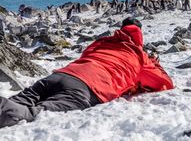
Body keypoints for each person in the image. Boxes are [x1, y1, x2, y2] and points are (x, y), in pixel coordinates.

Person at [0, 17, 174, 128]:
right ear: (140, 37)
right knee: (30, 114)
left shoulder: (101, 42)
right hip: (87, 88)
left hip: (62, 74)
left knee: (18, 100)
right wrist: (154, 63)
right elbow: (162, 83)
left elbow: (87, 56)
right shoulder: (139, 55)